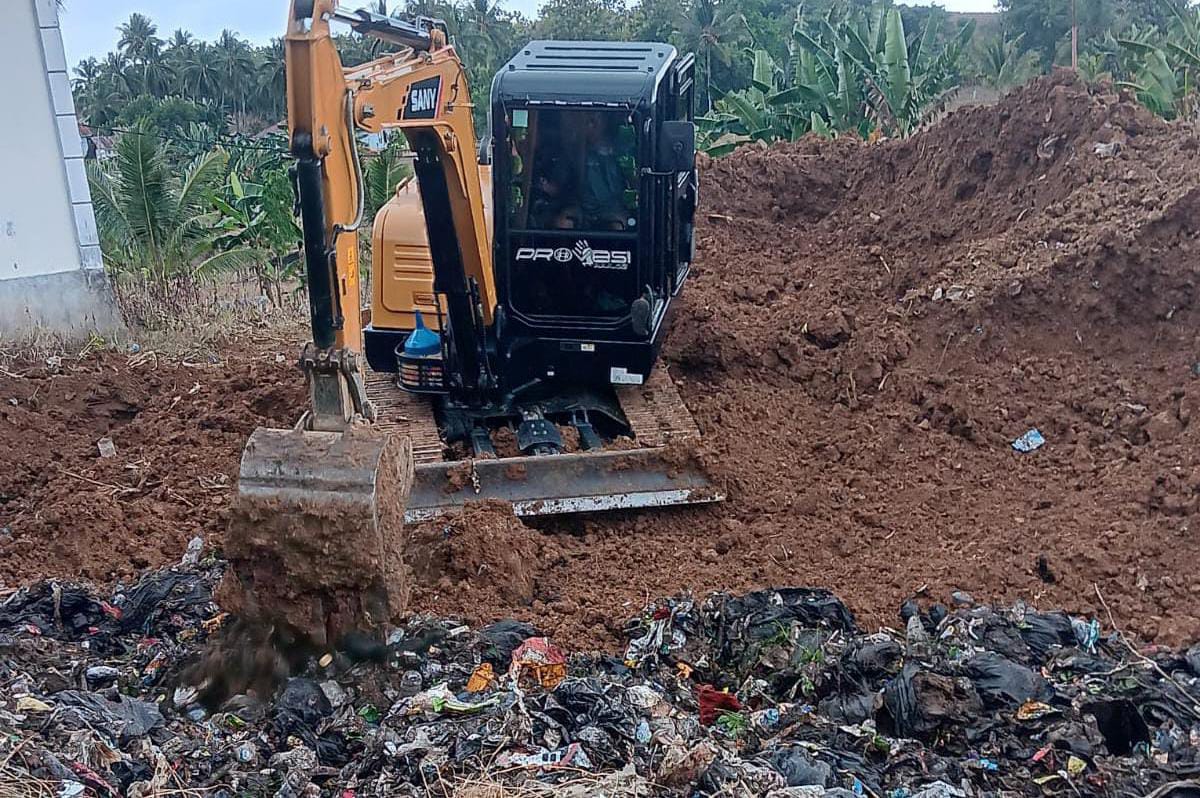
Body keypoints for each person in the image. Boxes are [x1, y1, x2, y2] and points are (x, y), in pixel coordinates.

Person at [579, 113, 630, 231]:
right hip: (583, 208)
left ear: (605, 122)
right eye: (587, 123)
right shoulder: (578, 153)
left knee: (618, 225)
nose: (590, 127)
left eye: (593, 121)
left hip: (615, 209)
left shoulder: (623, 152)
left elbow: (635, 184)